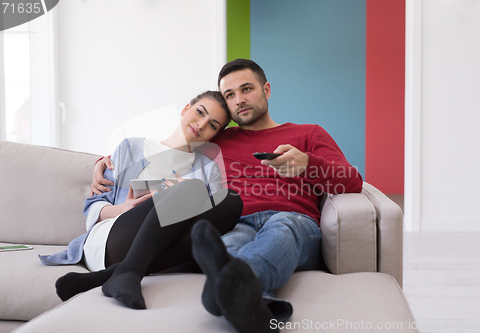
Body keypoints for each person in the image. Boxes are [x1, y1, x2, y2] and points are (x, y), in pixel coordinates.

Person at [93, 60, 363, 332]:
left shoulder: (308, 133)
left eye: (247, 89)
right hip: (235, 221)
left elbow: (351, 180)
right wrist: (105, 161)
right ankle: (254, 305)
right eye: (230, 95)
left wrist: (307, 163)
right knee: (229, 245)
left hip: (294, 219)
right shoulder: (217, 140)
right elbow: (171, 147)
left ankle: (232, 288)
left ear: (266, 90)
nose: (239, 100)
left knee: (283, 228)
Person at [40, 91, 243, 310]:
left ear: (214, 135)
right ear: (186, 109)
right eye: (199, 112)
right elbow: (93, 207)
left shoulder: (208, 169)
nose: (202, 124)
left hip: (164, 249)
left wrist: (182, 198)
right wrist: (123, 209)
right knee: (193, 188)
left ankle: (117, 274)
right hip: (114, 239)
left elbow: (207, 226)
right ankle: (126, 271)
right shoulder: (131, 148)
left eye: (212, 125)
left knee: (232, 202)